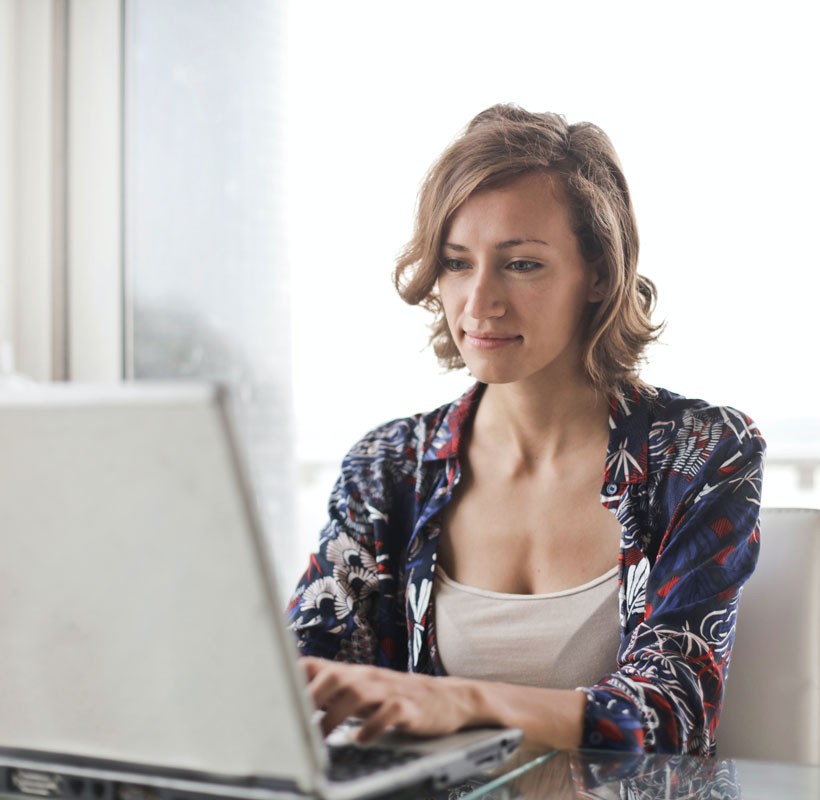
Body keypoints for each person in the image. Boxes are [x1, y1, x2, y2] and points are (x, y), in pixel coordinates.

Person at [286, 104, 765, 756]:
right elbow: (300, 678)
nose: (479, 302)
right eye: (456, 263)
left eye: (521, 265)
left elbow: (675, 713)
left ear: (597, 274)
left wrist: (463, 701)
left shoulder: (701, 453)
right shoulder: (390, 466)